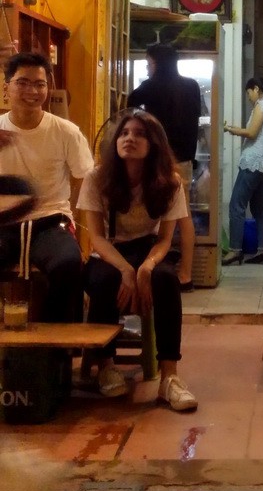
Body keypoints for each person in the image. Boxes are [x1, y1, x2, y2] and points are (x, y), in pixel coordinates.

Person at [77, 108, 197, 410]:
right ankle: (107, 366)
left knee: (166, 280)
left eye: (139, 134)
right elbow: (97, 237)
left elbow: (165, 239)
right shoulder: (97, 178)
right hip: (109, 251)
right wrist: (125, 269)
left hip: (148, 249)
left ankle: (169, 376)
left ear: (153, 144)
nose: (129, 139)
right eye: (124, 133)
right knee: (104, 280)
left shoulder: (169, 182)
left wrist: (146, 267)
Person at [0, 52, 94, 322]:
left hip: (51, 223)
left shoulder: (66, 131)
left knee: (68, 264)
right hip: (3, 223)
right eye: (22, 83)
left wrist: (81, 227)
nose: (32, 91)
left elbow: (87, 179)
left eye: (39, 84)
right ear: (6, 87)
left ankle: (57, 340)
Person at [127, 42, 201, 291]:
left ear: (156, 63)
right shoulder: (191, 86)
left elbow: (129, 105)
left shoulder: (150, 86)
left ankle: (151, 268)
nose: (148, 69)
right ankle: (185, 274)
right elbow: (196, 123)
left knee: (155, 215)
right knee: (183, 216)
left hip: (157, 160)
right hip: (183, 160)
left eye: (149, 64)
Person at [222, 77, 263, 265]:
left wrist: (230, 129)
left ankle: (235, 250)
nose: (249, 97)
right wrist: (232, 128)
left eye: (248, 93)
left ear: (256, 89)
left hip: (253, 163)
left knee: (236, 205)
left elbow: (251, 133)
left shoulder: (261, 106)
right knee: (260, 209)